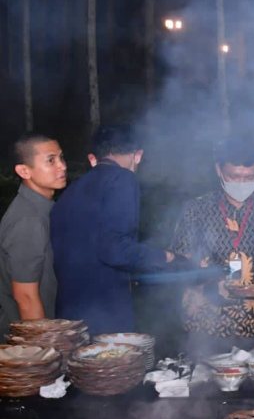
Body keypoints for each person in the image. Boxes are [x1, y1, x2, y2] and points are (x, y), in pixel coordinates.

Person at [169, 139, 254, 356]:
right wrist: (206, 281)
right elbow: (180, 262)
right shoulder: (196, 209)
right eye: (233, 176)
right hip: (204, 321)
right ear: (218, 169)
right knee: (204, 385)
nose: (241, 183)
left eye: (249, 178)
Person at [50, 125, 176, 335]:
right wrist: (166, 256)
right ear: (138, 155)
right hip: (104, 313)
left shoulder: (71, 190)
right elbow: (117, 250)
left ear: (95, 157)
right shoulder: (122, 178)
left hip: (70, 313)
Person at [0, 133, 67, 337]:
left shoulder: (43, 209)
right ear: (24, 171)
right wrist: (42, 350)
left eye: (61, 157)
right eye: (51, 160)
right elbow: (26, 298)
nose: (62, 166)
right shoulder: (27, 219)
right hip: (26, 345)